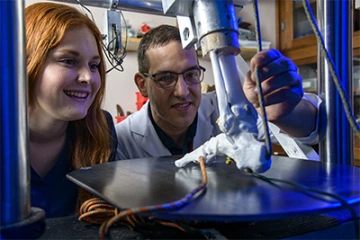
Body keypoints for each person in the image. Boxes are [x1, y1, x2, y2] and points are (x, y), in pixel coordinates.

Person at [115, 25, 321, 160]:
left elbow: (316, 128)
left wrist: (286, 111)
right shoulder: (122, 141)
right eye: (166, 78)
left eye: (191, 74)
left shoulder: (228, 109)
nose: (182, 91)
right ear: (142, 84)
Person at [26, 2, 118, 218]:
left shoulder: (101, 130)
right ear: (27, 62)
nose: (88, 78)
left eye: (94, 65)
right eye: (69, 61)